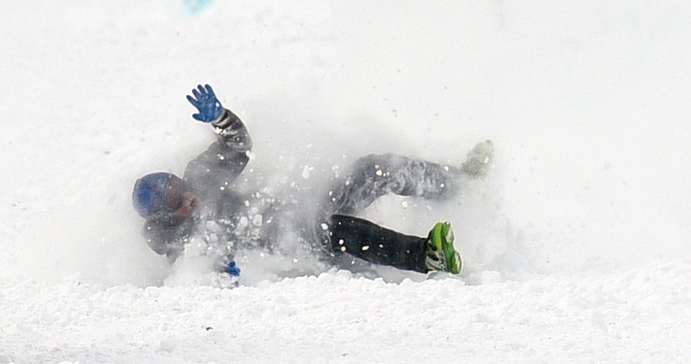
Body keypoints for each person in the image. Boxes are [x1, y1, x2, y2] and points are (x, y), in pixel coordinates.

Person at [132, 85, 494, 280]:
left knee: (372, 168)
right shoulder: (169, 238)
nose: (187, 199)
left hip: (295, 213)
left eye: (180, 190)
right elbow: (195, 259)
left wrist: (221, 118)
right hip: (289, 247)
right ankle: (426, 258)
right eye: (175, 204)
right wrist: (220, 268)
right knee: (340, 229)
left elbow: (237, 146)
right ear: (164, 218)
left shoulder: (201, 178)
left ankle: (458, 183)